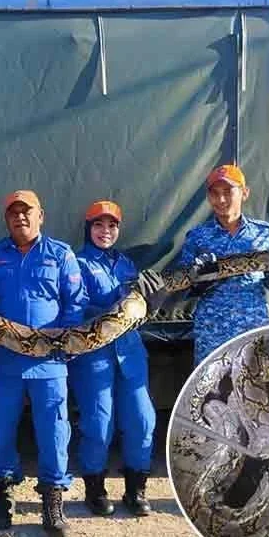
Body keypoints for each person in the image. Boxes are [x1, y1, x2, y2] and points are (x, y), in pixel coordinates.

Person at [0, 190, 89, 537]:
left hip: (49, 362)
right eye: (13, 213)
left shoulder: (61, 254)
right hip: (6, 361)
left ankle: (53, 502)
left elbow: (75, 304)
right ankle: (3, 496)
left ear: (41, 215)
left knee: (54, 431)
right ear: (6, 219)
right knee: (0, 430)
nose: (20, 218)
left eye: (27, 212)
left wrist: (63, 343)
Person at [69, 201, 164, 519]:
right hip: (94, 355)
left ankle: (136, 490)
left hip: (130, 353)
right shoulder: (77, 263)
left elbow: (140, 312)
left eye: (111, 226)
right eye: (98, 225)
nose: (105, 231)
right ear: (88, 228)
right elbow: (74, 309)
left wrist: (154, 301)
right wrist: (114, 310)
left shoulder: (126, 264)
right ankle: (95, 489)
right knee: (98, 423)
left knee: (142, 420)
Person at [176, 165, 269, 366]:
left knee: (255, 388)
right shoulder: (197, 237)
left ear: (244, 193)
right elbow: (183, 287)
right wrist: (199, 282)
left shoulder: (265, 234)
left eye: (227, 192)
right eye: (215, 194)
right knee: (211, 391)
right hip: (211, 330)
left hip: (252, 326)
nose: (221, 200)